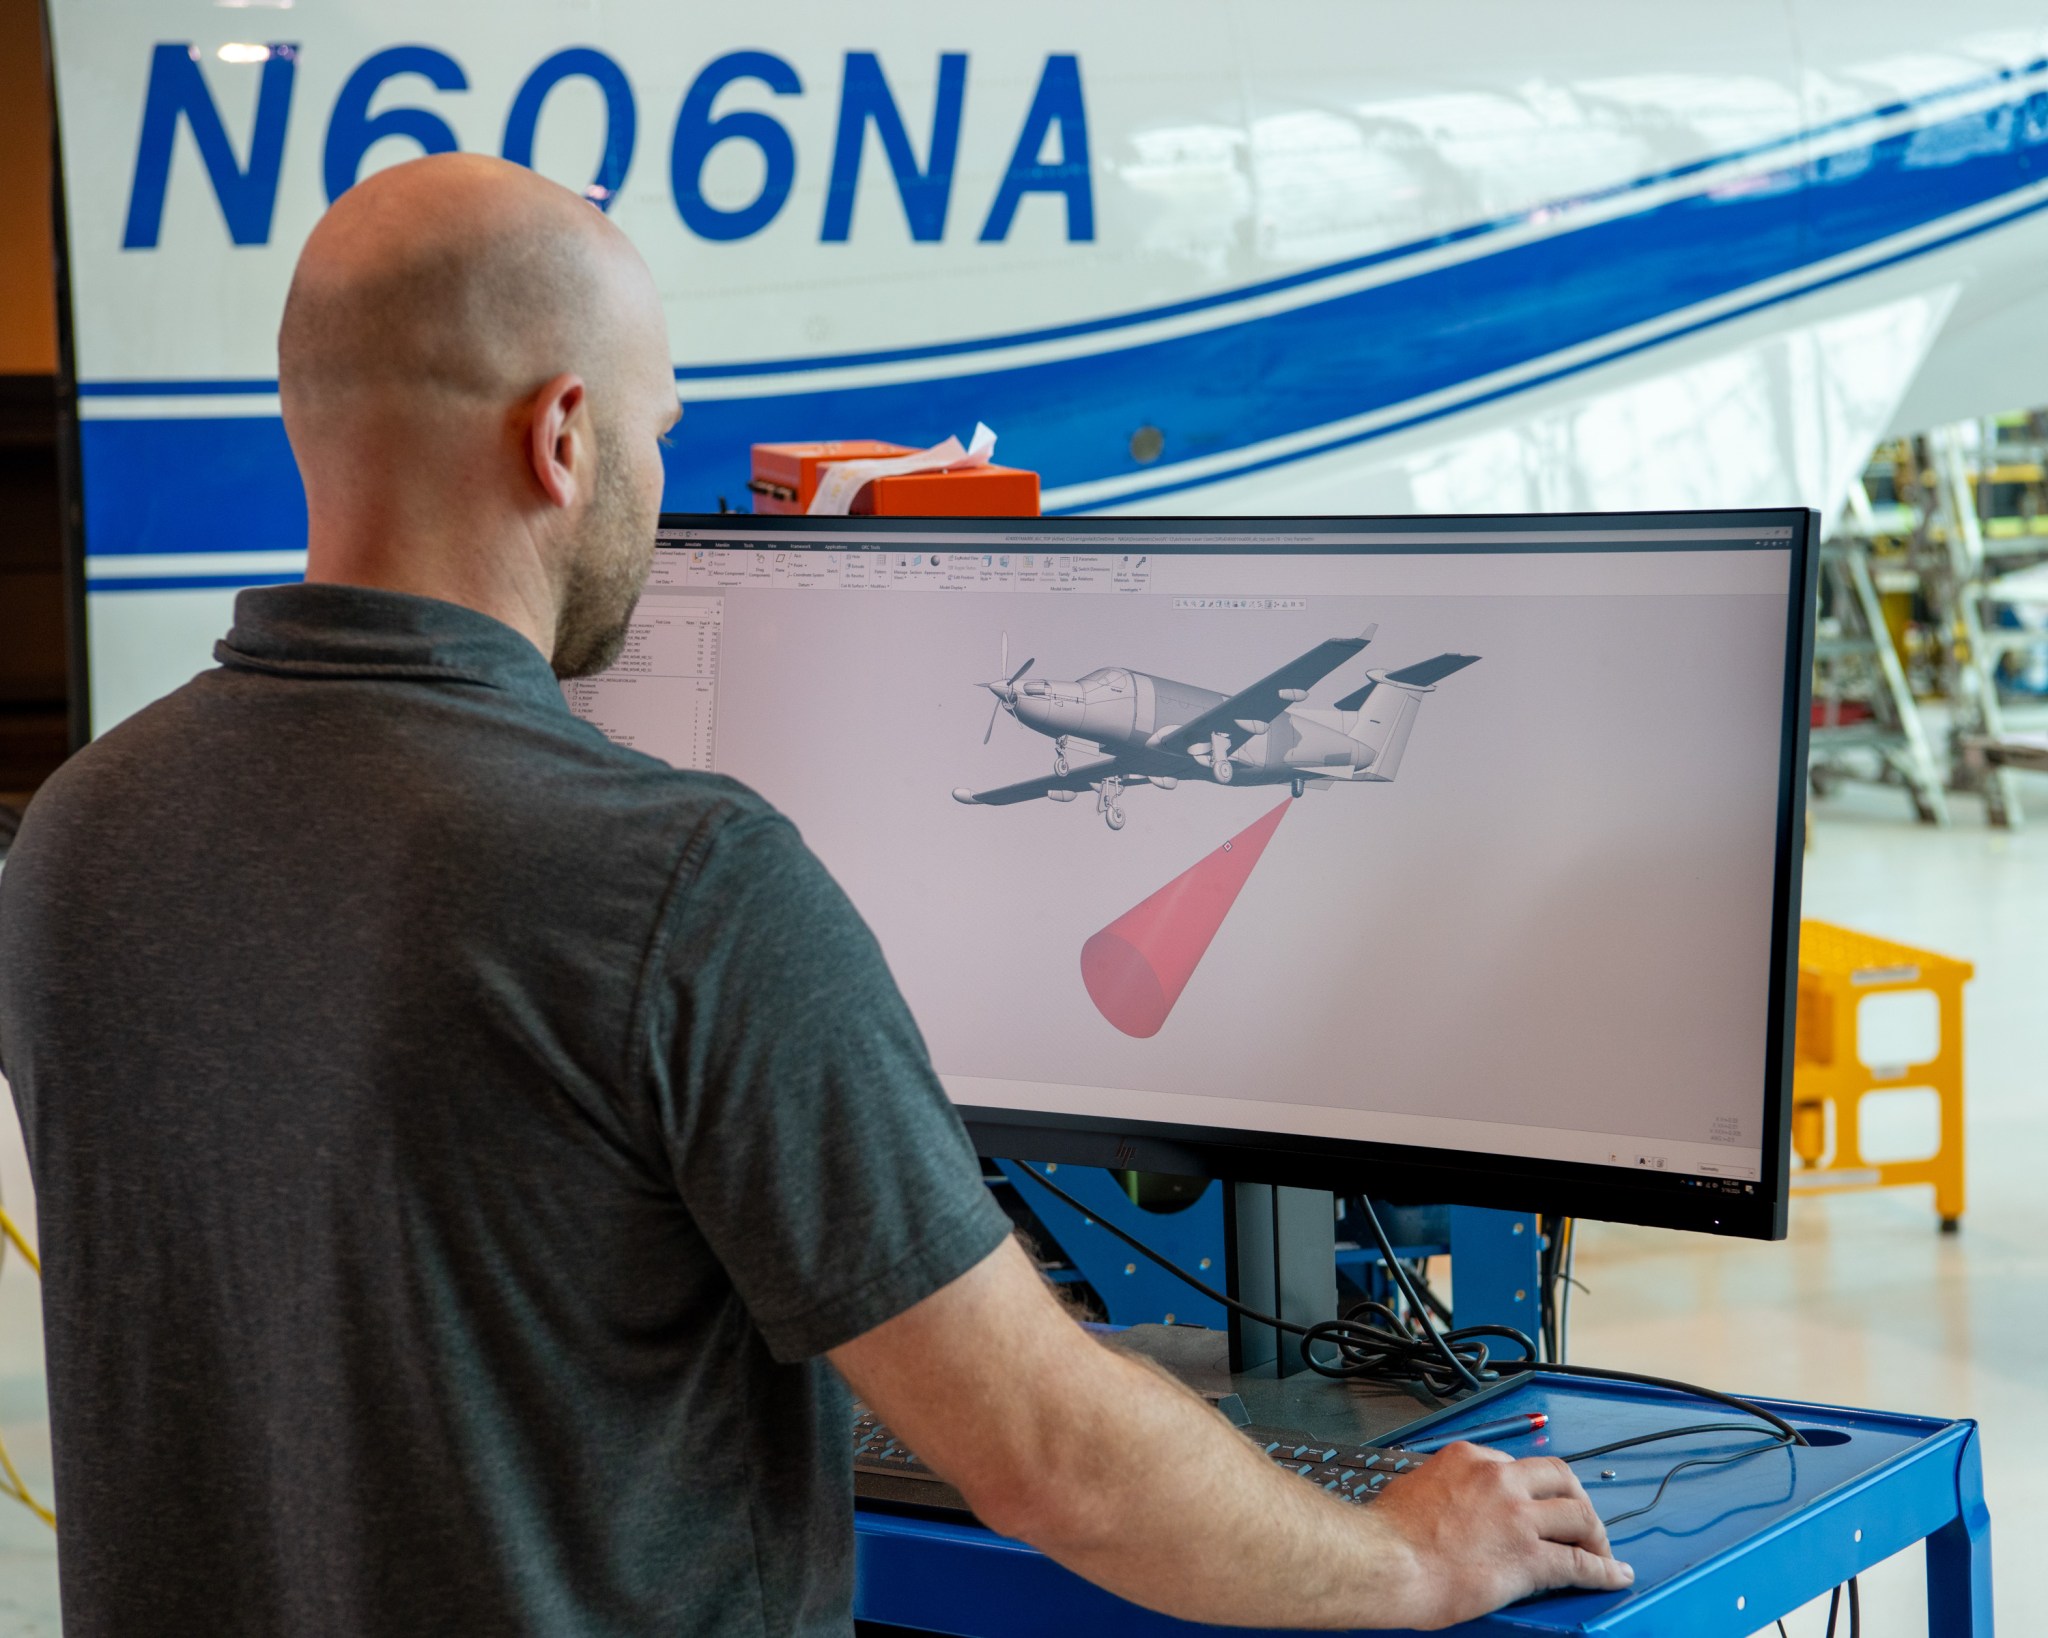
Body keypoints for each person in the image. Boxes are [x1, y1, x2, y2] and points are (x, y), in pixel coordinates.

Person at [0, 154, 1631, 1635]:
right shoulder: (677, 883)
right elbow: (1051, 1455)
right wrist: (1409, 1553)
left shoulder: (76, 838)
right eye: (658, 429)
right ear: (563, 438)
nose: (658, 467)